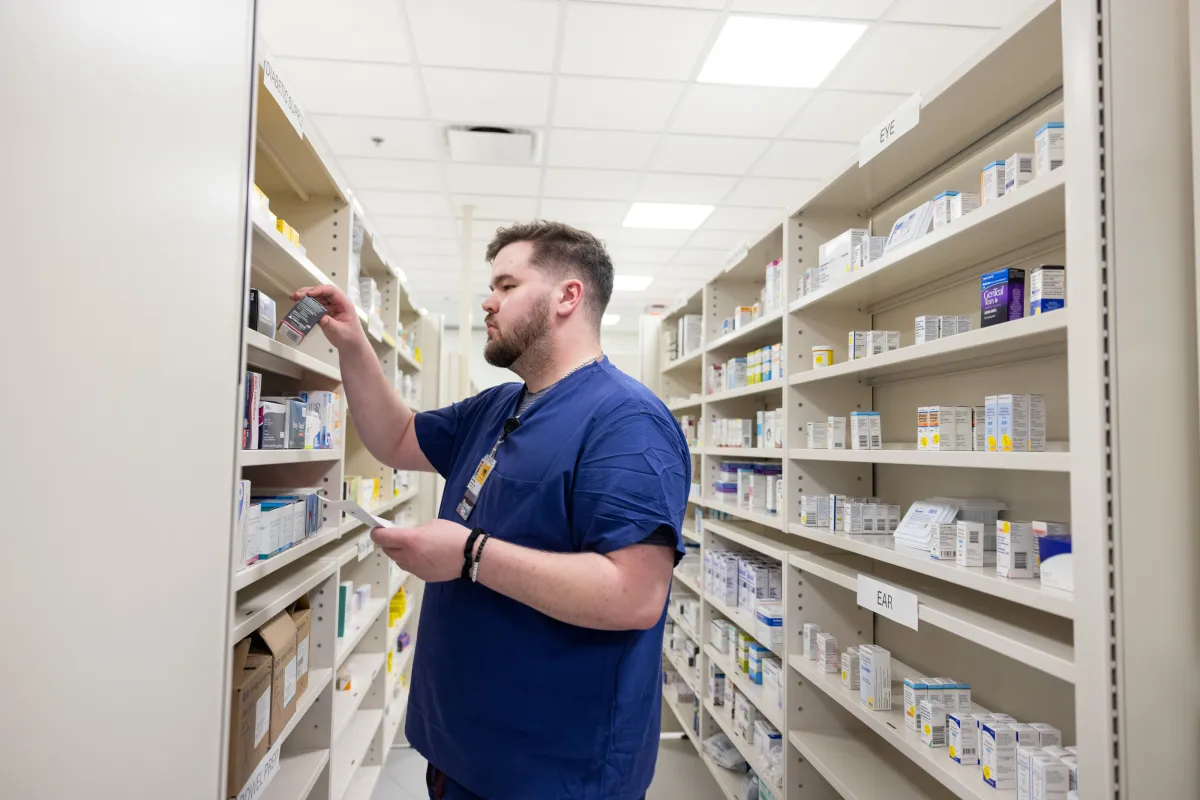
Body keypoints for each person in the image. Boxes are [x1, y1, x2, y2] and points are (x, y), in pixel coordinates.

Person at [293, 220, 691, 800]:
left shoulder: (627, 422)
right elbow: (397, 438)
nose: (488, 300)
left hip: (553, 769)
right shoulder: (500, 405)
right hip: (460, 746)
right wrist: (354, 343)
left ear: (567, 296)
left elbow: (634, 595)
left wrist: (469, 555)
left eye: (506, 285)